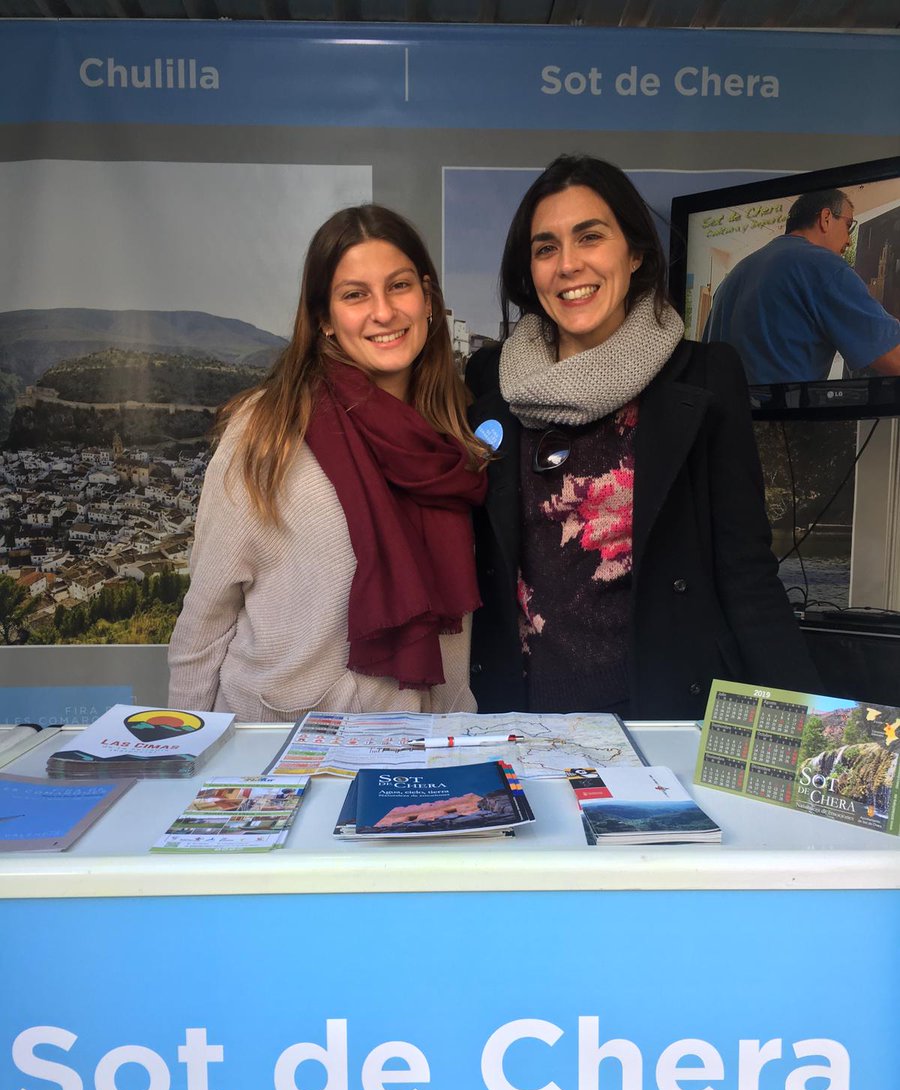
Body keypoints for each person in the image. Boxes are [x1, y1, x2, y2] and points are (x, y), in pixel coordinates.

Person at [466, 154, 818, 719]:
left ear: (634, 253)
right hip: (519, 720)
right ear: (529, 271)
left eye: (590, 237)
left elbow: (746, 571)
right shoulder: (491, 383)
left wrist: (803, 725)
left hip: (656, 720)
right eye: (546, 247)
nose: (568, 265)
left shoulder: (704, 377)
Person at [168, 205, 487, 721]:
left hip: (412, 746)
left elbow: (454, 631)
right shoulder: (268, 429)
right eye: (355, 295)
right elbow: (205, 622)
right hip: (277, 745)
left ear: (428, 300)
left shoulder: (450, 435)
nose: (383, 312)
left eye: (399, 286)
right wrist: (185, 751)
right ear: (325, 320)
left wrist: (453, 735)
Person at [703, 187, 900, 385]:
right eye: (848, 225)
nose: (849, 241)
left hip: (718, 404)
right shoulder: (824, 266)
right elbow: (894, 357)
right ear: (826, 218)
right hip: (781, 406)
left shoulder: (731, 279)